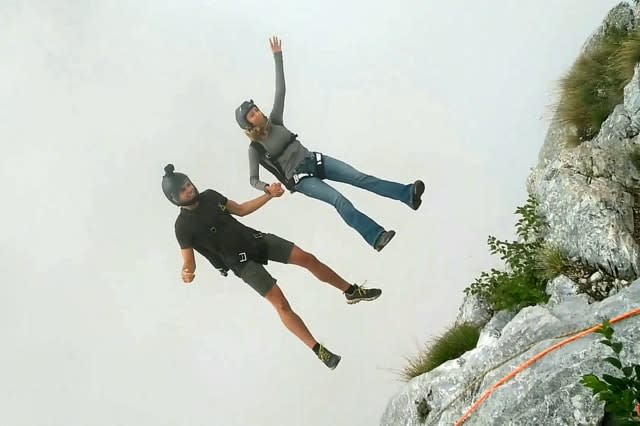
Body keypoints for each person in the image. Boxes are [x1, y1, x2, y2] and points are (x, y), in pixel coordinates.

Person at [161, 163, 382, 370]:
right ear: (174, 198)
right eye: (183, 190)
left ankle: (351, 291)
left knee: (307, 258)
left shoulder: (210, 196)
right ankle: (319, 350)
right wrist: (186, 273)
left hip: (255, 240)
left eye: (189, 184)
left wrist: (268, 195)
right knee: (281, 304)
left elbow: (241, 209)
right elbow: (189, 262)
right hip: (241, 264)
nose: (189, 189)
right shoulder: (182, 227)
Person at [235, 36, 425, 252]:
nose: (257, 113)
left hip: (313, 159)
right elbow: (253, 179)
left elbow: (281, 90)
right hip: (301, 179)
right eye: (252, 114)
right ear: (247, 124)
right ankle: (376, 236)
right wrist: (267, 188)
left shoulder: (275, 121)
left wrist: (278, 57)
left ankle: (407, 194)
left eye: (256, 109)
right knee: (339, 200)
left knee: (360, 178)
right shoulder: (255, 149)